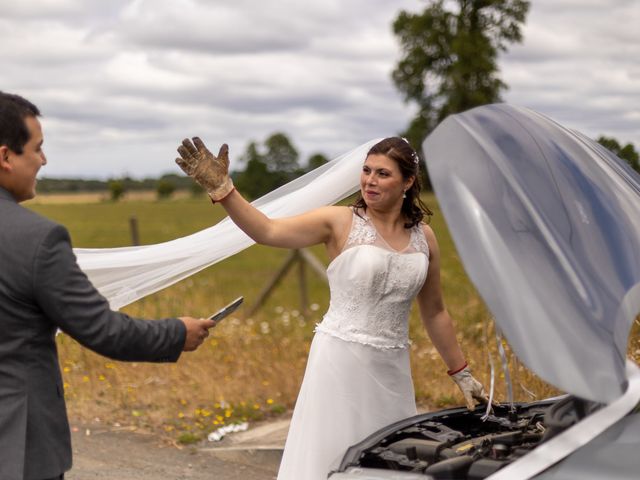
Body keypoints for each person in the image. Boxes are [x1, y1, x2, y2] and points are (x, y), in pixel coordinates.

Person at [176, 135, 490, 479]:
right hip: (339, 362)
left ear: (409, 181)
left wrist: (462, 373)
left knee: (392, 461)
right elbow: (267, 230)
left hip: (392, 369)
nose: (370, 180)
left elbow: (435, 311)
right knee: (333, 459)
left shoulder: (425, 238)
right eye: (366, 171)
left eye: (383, 174)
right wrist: (225, 191)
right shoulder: (339, 222)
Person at [0, 91, 217, 480]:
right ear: (5, 157)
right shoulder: (37, 239)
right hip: (17, 447)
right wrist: (176, 333)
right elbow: (103, 331)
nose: (44, 160)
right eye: (38, 148)